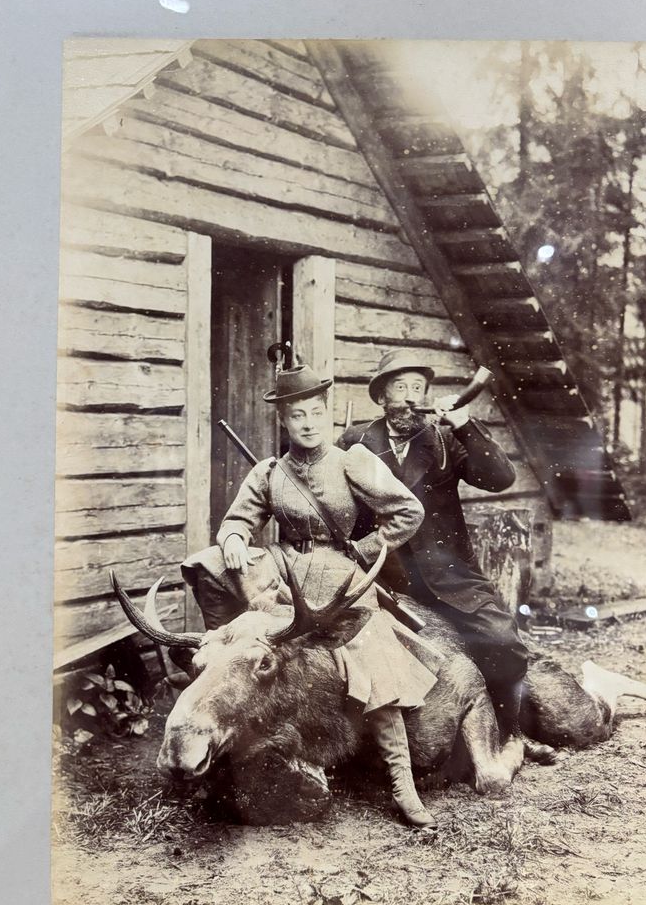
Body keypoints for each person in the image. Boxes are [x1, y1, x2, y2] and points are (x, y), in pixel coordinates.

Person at [181, 360, 443, 828]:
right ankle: (221, 652)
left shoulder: (353, 461)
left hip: (340, 573)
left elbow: (408, 511)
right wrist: (236, 539)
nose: (307, 423)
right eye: (296, 415)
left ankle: (402, 782)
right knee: (209, 563)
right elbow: (239, 519)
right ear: (284, 420)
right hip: (284, 568)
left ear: (326, 414)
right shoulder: (269, 472)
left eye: (314, 413)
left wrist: (364, 549)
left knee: (372, 660)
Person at [337, 348, 529, 763]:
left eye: (418, 389)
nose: (409, 398)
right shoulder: (356, 441)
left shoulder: (444, 439)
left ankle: (511, 733)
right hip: (383, 575)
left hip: (450, 576)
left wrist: (462, 423)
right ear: (381, 397)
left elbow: (500, 478)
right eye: (400, 388)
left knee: (503, 641)